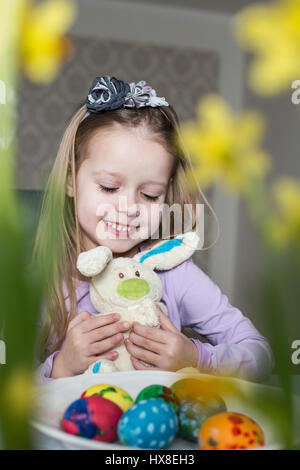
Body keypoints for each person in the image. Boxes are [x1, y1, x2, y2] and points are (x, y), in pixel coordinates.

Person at [34, 75, 274, 384]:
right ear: (70, 179)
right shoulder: (46, 281)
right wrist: (61, 366)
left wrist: (198, 358)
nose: (128, 207)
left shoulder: (175, 276)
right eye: (109, 187)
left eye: (149, 195)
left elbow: (260, 353)